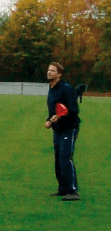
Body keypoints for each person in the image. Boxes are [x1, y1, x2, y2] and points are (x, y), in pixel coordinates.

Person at [44, 62, 81, 201]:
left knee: (66, 158)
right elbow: (53, 110)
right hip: (58, 129)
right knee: (58, 159)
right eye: (48, 70)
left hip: (69, 128)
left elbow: (74, 110)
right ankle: (62, 189)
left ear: (59, 74)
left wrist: (60, 116)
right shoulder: (51, 88)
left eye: (52, 70)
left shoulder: (66, 88)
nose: (49, 72)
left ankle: (72, 191)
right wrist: (49, 119)